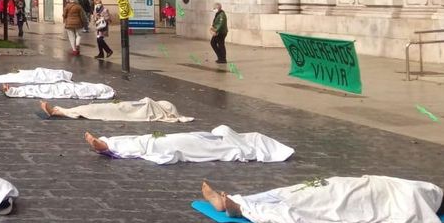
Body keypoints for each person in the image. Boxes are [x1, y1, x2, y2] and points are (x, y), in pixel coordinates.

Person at [200, 176, 444, 223]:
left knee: (305, 200)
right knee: (299, 193)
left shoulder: (414, 193)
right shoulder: (414, 190)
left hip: (362, 192)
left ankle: (240, 207)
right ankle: (235, 201)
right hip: (354, 187)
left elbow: (411, 206)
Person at [83, 125, 293, 165]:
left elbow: (238, 147)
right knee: (151, 139)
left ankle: (107, 146)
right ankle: (108, 143)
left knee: (156, 144)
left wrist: (223, 133)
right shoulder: (228, 137)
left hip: (197, 144)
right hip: (195, 137)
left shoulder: (243, 143)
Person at [38, 97, 193, 123]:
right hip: (123, 106)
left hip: (122, 110)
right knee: (93, 108)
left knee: (95, 110)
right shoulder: (149, 104)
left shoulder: (153, 111)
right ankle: (60, 111)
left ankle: (59, 111)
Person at [0, 67, 73, 84]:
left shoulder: (59, 76)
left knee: (16, 77)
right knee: (15, 75)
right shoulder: (60, 73)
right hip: (36, 73)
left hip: (36, 76)